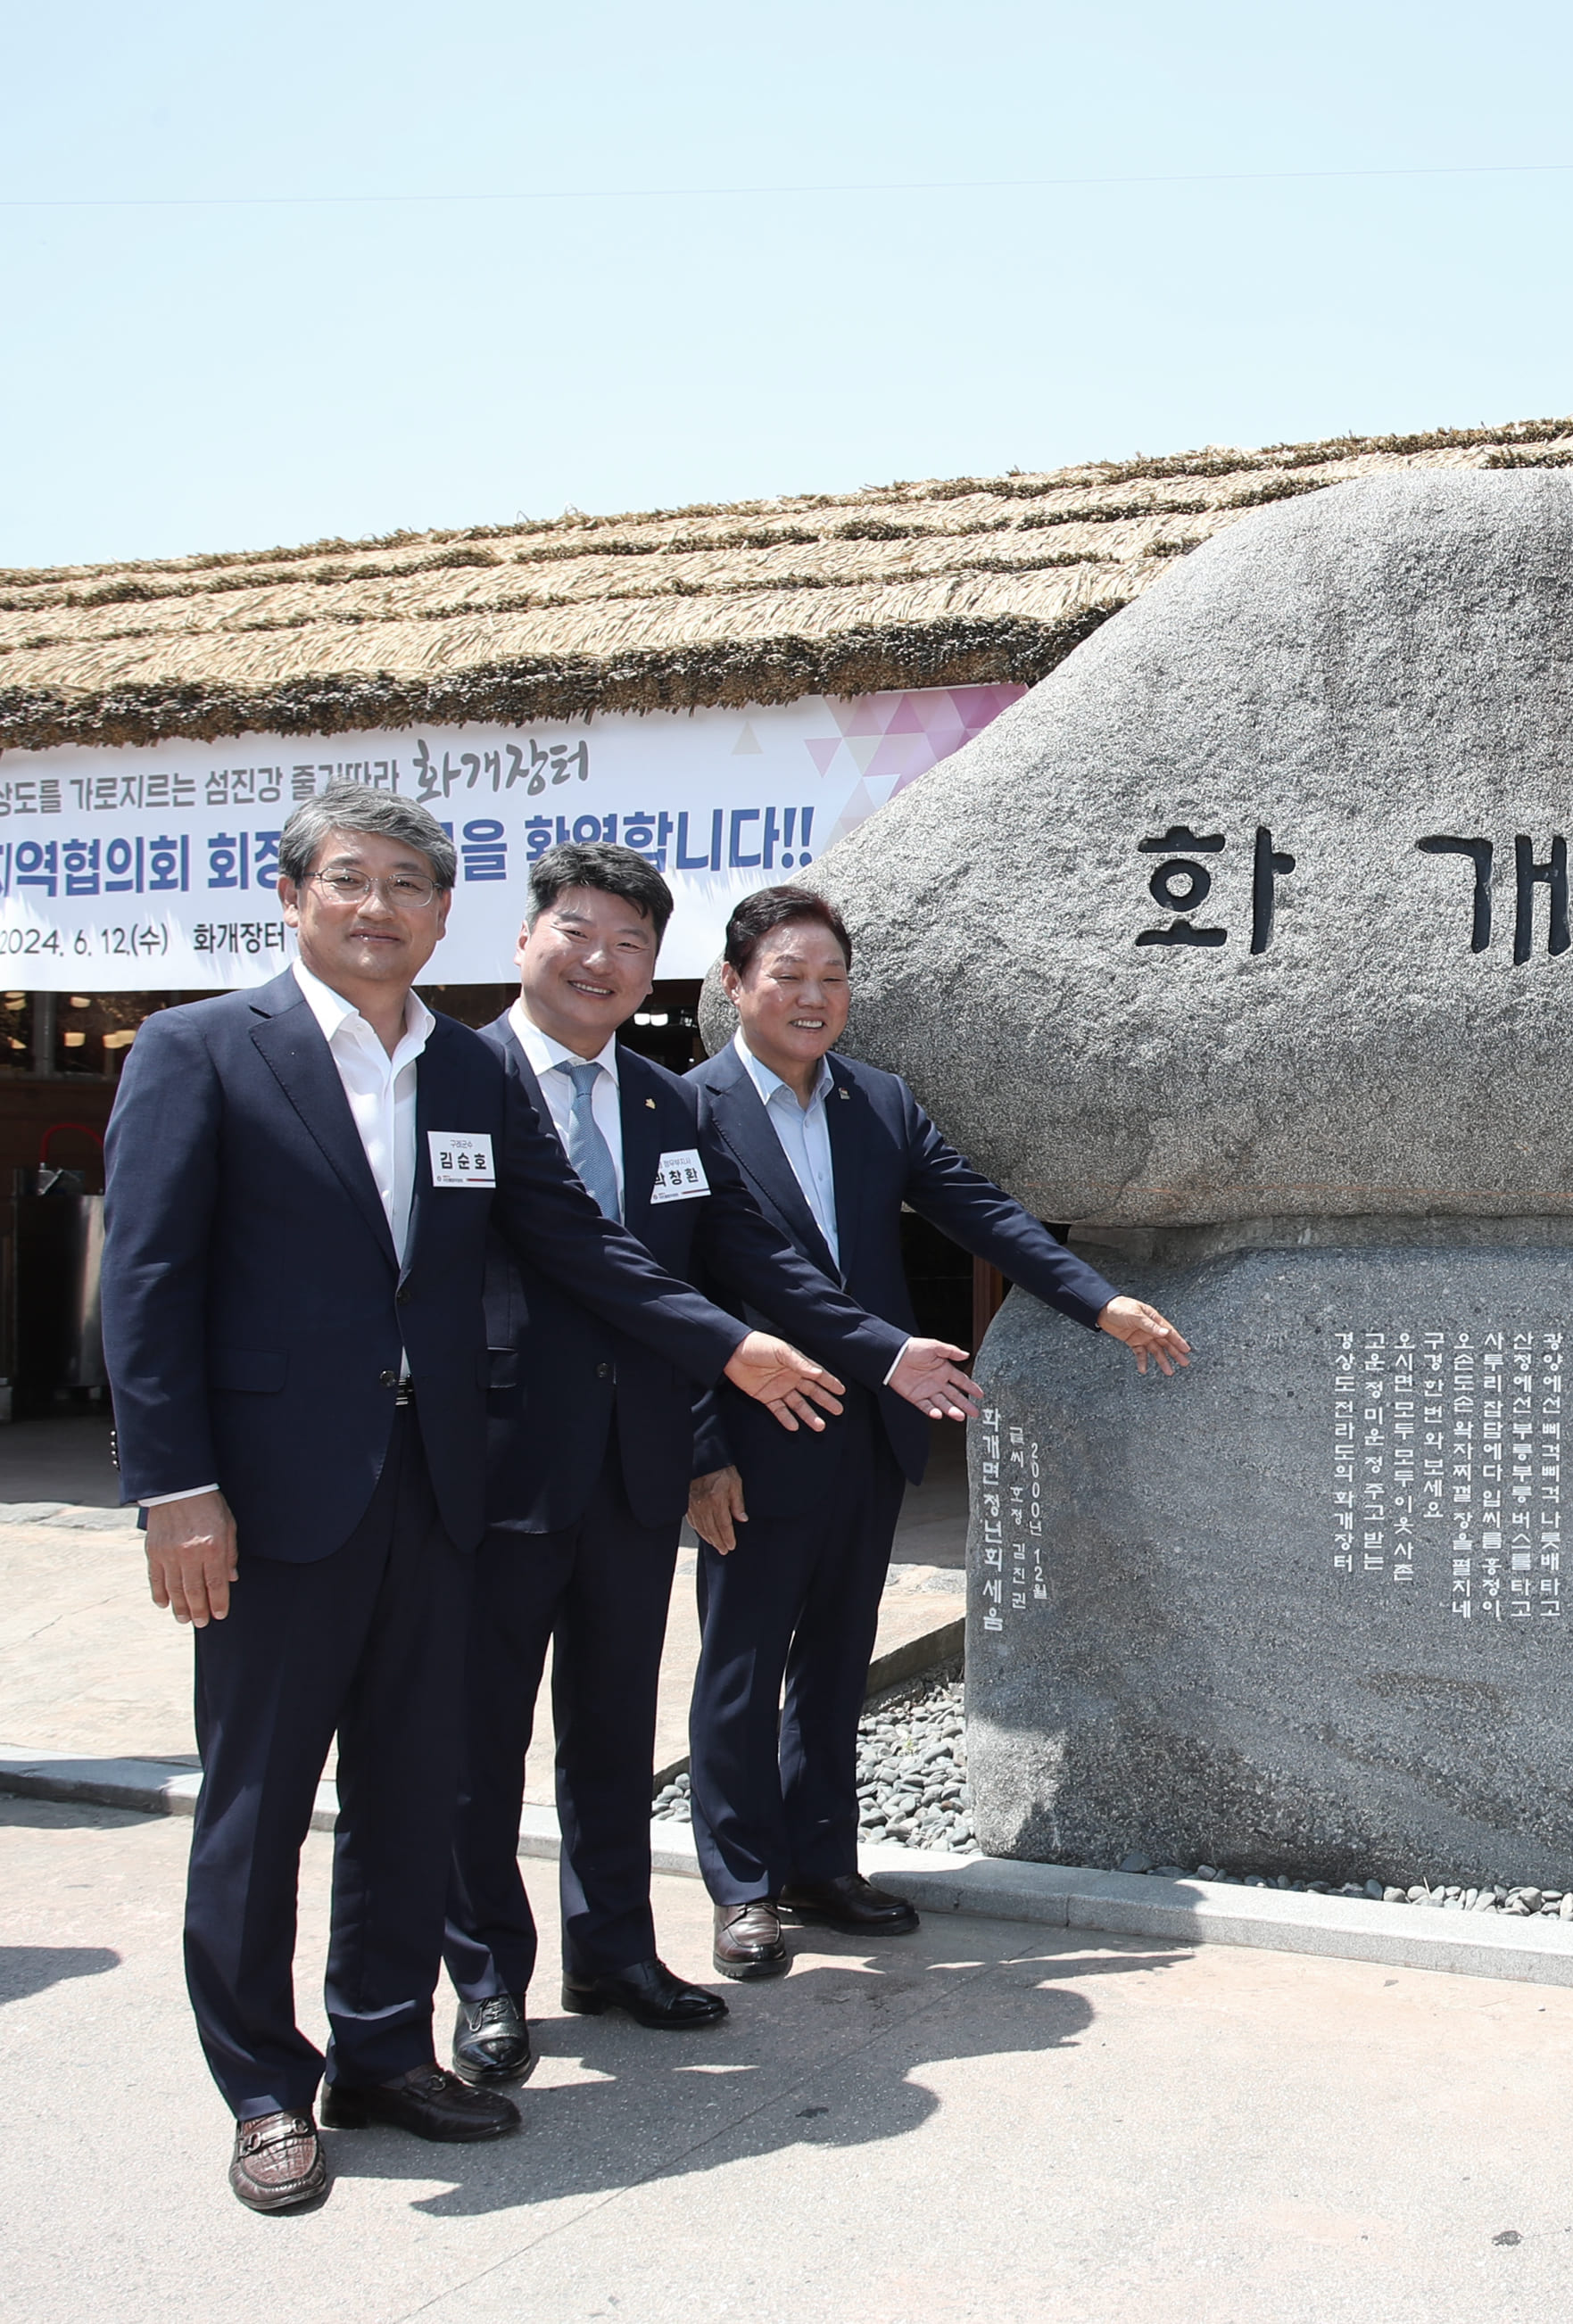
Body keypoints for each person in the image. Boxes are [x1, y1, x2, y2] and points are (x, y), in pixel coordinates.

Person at [103, 787, 849, 2217]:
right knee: (259, 1803)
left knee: (412, 1780)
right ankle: (266, 2084)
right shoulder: (203, 1050)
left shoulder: (465, 1074)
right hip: (264, 1501)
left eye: (405, 885)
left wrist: (728, 1343)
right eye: (349, 879)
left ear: (444, 916)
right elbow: (148, 1287)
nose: (377, 906)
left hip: (440, 1490)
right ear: (293, 895)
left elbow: (573, 1242)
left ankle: (382, 2047)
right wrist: (176, 1490)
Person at [440, 843, 988, 2092]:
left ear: (659, 971)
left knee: (611, 1727)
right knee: (480, 1738)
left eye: (631, 944)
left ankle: (615, 1954)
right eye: (579, 932)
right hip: (492, 1464)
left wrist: (879, 1347)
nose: (601, 961)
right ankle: (486, 1979)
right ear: (525, 938)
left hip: (631, 1467)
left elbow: (740, 1263)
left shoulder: (658, 1103)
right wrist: (733, 1385)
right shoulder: (453, 1075)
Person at [683, 885, 1193, 1981]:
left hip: (864, 1433)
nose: (812, 996)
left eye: (830, 976)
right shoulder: (689, 1112)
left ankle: (821, 1862)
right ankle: (741, 1886)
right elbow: (683, 1289)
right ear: (734, 985)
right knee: (739, 1662)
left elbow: (978, 1208)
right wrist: (699, 1452)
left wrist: (1095, 1300)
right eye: (787, 975)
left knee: (832, 1657)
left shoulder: (877, 1102)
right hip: (754, 1429)